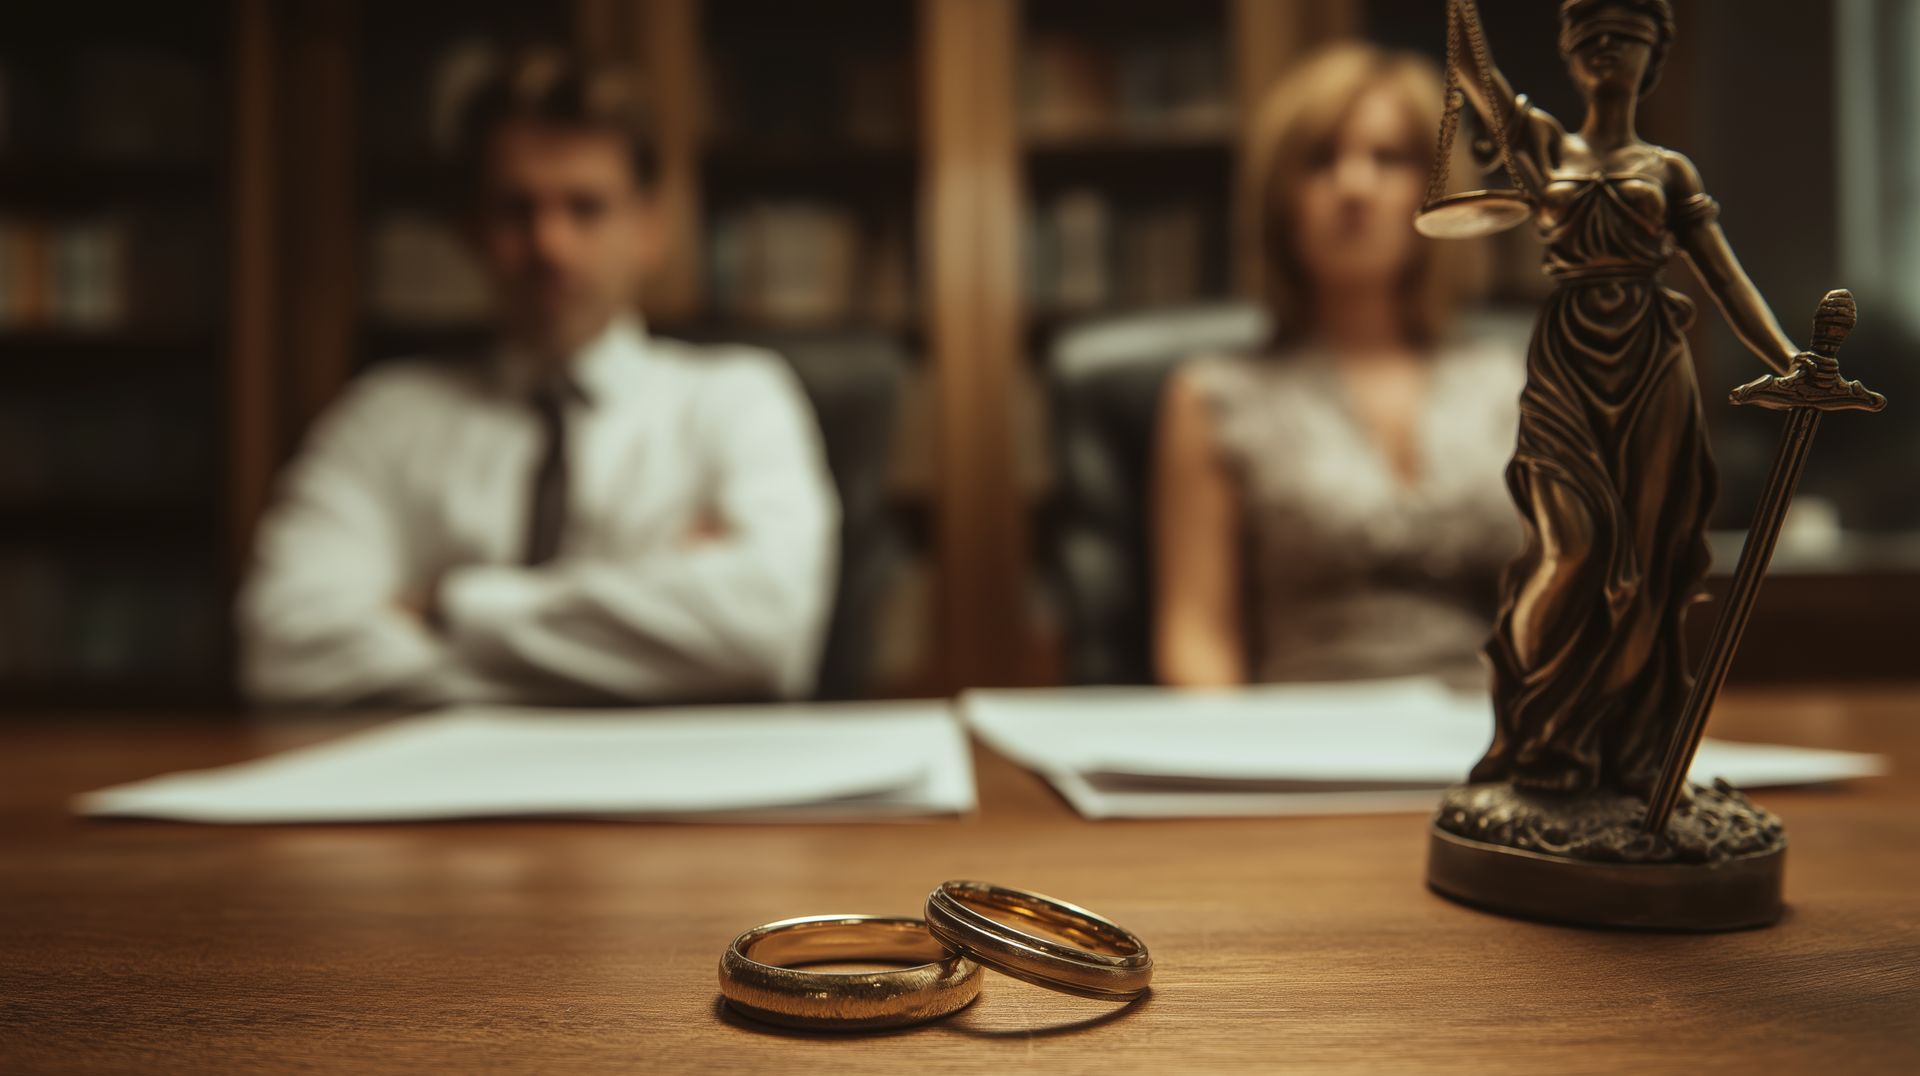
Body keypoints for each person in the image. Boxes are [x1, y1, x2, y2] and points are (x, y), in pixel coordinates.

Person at [239, 53, 839, 708]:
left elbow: (766, 630)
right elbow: (283, 648)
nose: (550, 244)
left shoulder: (737, 400)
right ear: (471, 230)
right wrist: (654, 617)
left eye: (586, 208)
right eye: (516, 210)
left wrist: (445, 608)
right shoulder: (382, 417)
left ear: (650, 228)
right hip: (439, 768)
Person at [1445, 0, 1867, 796]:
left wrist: (1792, 360)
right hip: (1568, 363)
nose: (1607, 50)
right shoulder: (1544, 143)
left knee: (1638, 570)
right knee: (1569, 548)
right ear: (1569, 54)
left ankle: (1617, 752)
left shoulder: (1669, 171)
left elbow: (1723, 278)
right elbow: (1473, 68)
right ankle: (1536, 729)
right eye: (1591, 38)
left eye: (1626, 38)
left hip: (1650, 368)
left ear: (1653, 56)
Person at [1152, 42, 1524, 688]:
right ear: (1280, 200)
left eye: (1389, 158)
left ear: (1439, 188)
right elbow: (1198, 639)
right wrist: (1226, 745)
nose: (1354, 186)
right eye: (1321, 160)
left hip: (1495, 728)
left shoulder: (1512, 382)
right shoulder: (1213, 395)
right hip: (1308, 731)